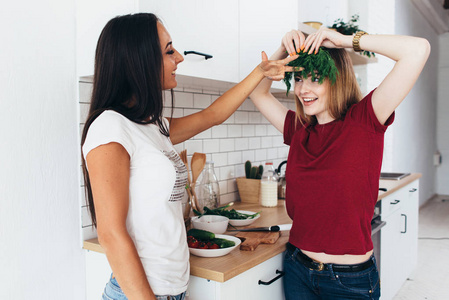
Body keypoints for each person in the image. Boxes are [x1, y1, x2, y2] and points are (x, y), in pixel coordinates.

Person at [81, 13, 297, 300]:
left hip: (173, 290)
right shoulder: (110, 127)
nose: (179, 57)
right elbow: (111, 234)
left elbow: (213, 115)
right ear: (138, 60)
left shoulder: (151, 125)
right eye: (169, 51)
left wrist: (260, 71)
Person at [249, 27, 430, 299]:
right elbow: (257, 93)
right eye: (298, 78)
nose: (302, 89)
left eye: (316, 78)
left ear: (337, 79)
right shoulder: (298, 129)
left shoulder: (364, 120)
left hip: (349, 281)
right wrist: (283, 52)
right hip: (298, 268)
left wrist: (345, 41)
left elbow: (417, 50)